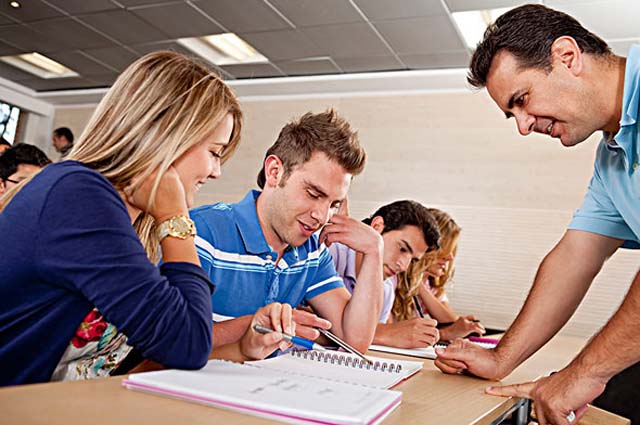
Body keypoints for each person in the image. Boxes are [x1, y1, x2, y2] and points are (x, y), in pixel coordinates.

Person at [0, 51, 296, 386]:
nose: (216, 171)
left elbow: (125, 363)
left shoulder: (120, 215)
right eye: (214, 152)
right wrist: (175, 216)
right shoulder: (79, 196)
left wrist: (240, 349)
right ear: (167, 137)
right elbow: (188, 342)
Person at [434, 4, 640, 424]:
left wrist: (584, 373)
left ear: (567, 56)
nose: (523, 126)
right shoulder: (613, 156)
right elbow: (575, 257)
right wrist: (501, 358)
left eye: (522, 100)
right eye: (512, 114)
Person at [191, 109, 382, 353]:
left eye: (334, 204)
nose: (322, 217)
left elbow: (355, 340)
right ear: (275, 172)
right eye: (313, 194)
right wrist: (257, 326)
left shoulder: (312, 252)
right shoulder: (202, 233)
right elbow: (169, 341)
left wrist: (374, 251)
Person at [328, 200, 441, 348]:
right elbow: (301, 316)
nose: (403, 266)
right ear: (377, 227)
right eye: (402, 249)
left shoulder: (386, 287)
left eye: (413, 260)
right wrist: (385, 333)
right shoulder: (330, 250)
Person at [393, 209, 485, 341]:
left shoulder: (431, 283)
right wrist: (445, 334)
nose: (450, 257)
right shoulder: (393, 278)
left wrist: (419, 285)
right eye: (445, 249)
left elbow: (450, 322)